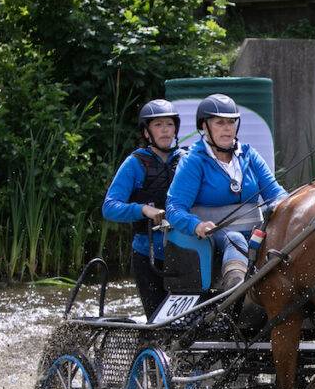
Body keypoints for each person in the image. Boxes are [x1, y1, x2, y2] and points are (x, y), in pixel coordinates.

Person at [166, 93, 287, 290]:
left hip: (256, 235)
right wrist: (196, 225)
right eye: (220, 123)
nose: (227, 128)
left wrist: (284, 206)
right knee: (235, 238)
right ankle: (236, 291)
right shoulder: (193, 161)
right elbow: (174, 208)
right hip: (213, 239)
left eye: (231, 122)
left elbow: (277, 194)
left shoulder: (250, 155)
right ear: (204, 126)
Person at [102, 99, 184, 318]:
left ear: (175, 129)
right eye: (158, 125)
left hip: (185, 253)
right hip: (148, 256)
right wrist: (143, 210)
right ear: (147, 133)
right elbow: (109, 207)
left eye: (169, 124)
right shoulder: (135, 163)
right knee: (157, 319)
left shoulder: (187, 161)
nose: (165, 130)